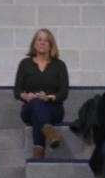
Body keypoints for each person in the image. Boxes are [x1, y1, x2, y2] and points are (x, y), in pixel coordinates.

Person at [13, 28, 69, 159]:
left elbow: (64, 92)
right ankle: (50, 133)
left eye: (46, 41)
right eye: (39, 40)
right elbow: (17, 91)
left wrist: (49, 97)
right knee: (36, 102)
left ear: (51, 45)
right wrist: (26, 96)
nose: (42, 43)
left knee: (37, 114)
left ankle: (39, 151)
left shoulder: (59, 65)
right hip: (29, 106)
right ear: (34, 43)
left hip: (54, 109)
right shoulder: (25, 64)